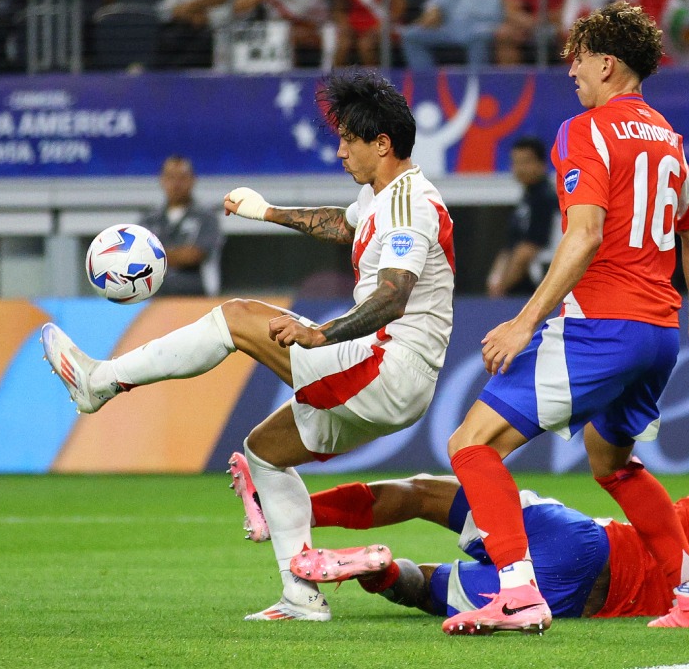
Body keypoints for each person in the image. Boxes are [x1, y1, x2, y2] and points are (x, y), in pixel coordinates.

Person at [42, 68, 455, 621]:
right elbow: (343, 225)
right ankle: (302, 596)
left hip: (387, 365)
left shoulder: (410, 205)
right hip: (393, 379)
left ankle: (101, 381)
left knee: (235, 319)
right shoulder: (381, 197)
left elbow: (395, 293)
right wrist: (268, 212)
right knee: (265, 451)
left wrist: (320, 333)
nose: (339, 153)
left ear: (381, 145)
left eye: (347, 141)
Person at [435, 0, 689, 635]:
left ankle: (518, 593)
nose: (569, 69)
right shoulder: (669, 140)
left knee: (470, 445)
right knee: (612, 462)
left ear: (607, 63)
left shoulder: (587, 131)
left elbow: (581, 237)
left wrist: (524, 321)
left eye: (577, 57)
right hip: (658, 337)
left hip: (600, 327)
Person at [234, 289, 689, 623]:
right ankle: (372, 569)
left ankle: (291, 509)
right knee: (425, 587)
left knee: (427, 489)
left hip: (580, 541)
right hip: (575, 596)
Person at [137, 156, 224, 296]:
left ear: (193, 180)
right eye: (171, 177)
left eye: (182, 178)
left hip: (195, 297)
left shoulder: (207, 217)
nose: (176, 184)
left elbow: (194, 255)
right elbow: (137, 257)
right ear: (162, 180)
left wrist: (155, 256)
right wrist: (175, 254)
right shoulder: (149, 219)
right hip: (154, 298)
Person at [485, 136, 558, 298]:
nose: (520, 168)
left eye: (526, 162)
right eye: (515, 162)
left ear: (542, 164)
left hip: (537, 289)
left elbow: (527, 251)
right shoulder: (527, 198)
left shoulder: (544, 198)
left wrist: (500, 289)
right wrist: (494, 279)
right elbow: (510, 247)